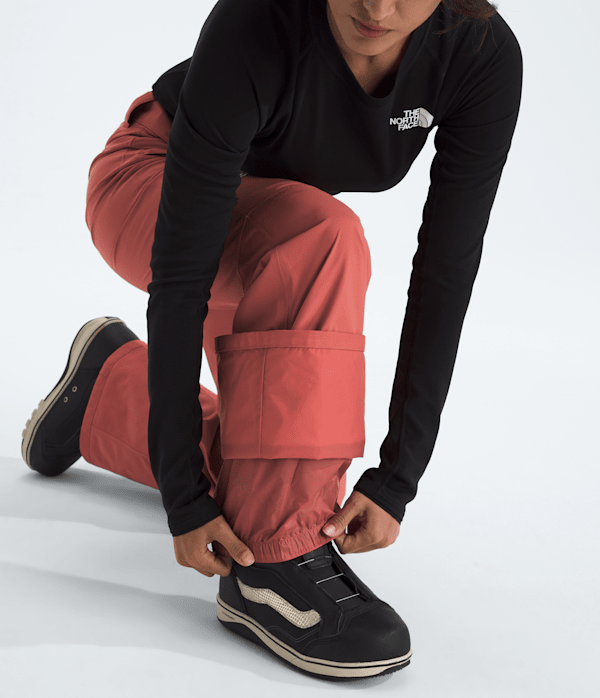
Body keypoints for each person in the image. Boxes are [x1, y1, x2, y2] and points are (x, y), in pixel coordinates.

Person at [21, 0, 522, 681]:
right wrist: (183, 499)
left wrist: (398, 477)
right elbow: (183, 275)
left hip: (262, 221)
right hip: (151, 178)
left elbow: (446, 271)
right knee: (324, 237)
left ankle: (105, 389)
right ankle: (271, 568)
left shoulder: (480, 54)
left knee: (278, 446)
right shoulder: (256, 22)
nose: (377, 8)